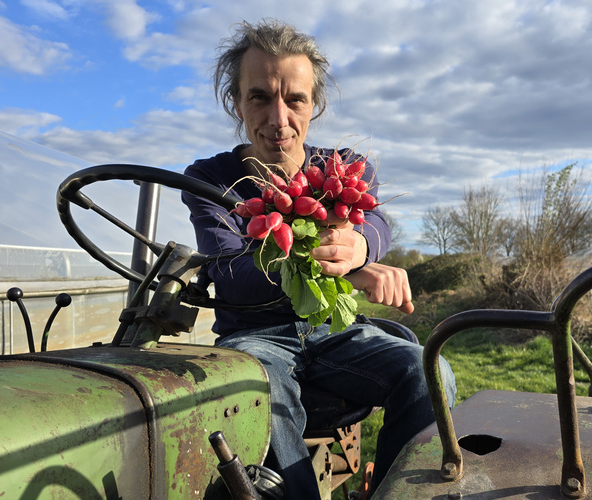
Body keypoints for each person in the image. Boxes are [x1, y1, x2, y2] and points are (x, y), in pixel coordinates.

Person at [181, 19, 456, 499]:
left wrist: (361, 248)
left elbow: (375, 222)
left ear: (315, 104)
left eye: (295, 100)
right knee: (261, 384)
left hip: (333, 331)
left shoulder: (342, 167)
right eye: (260, 97)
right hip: (255, 336)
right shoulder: (209, 179)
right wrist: (333, 264)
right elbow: (232, 273)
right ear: (237, 102)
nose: (279, 119)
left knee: (427, 370)